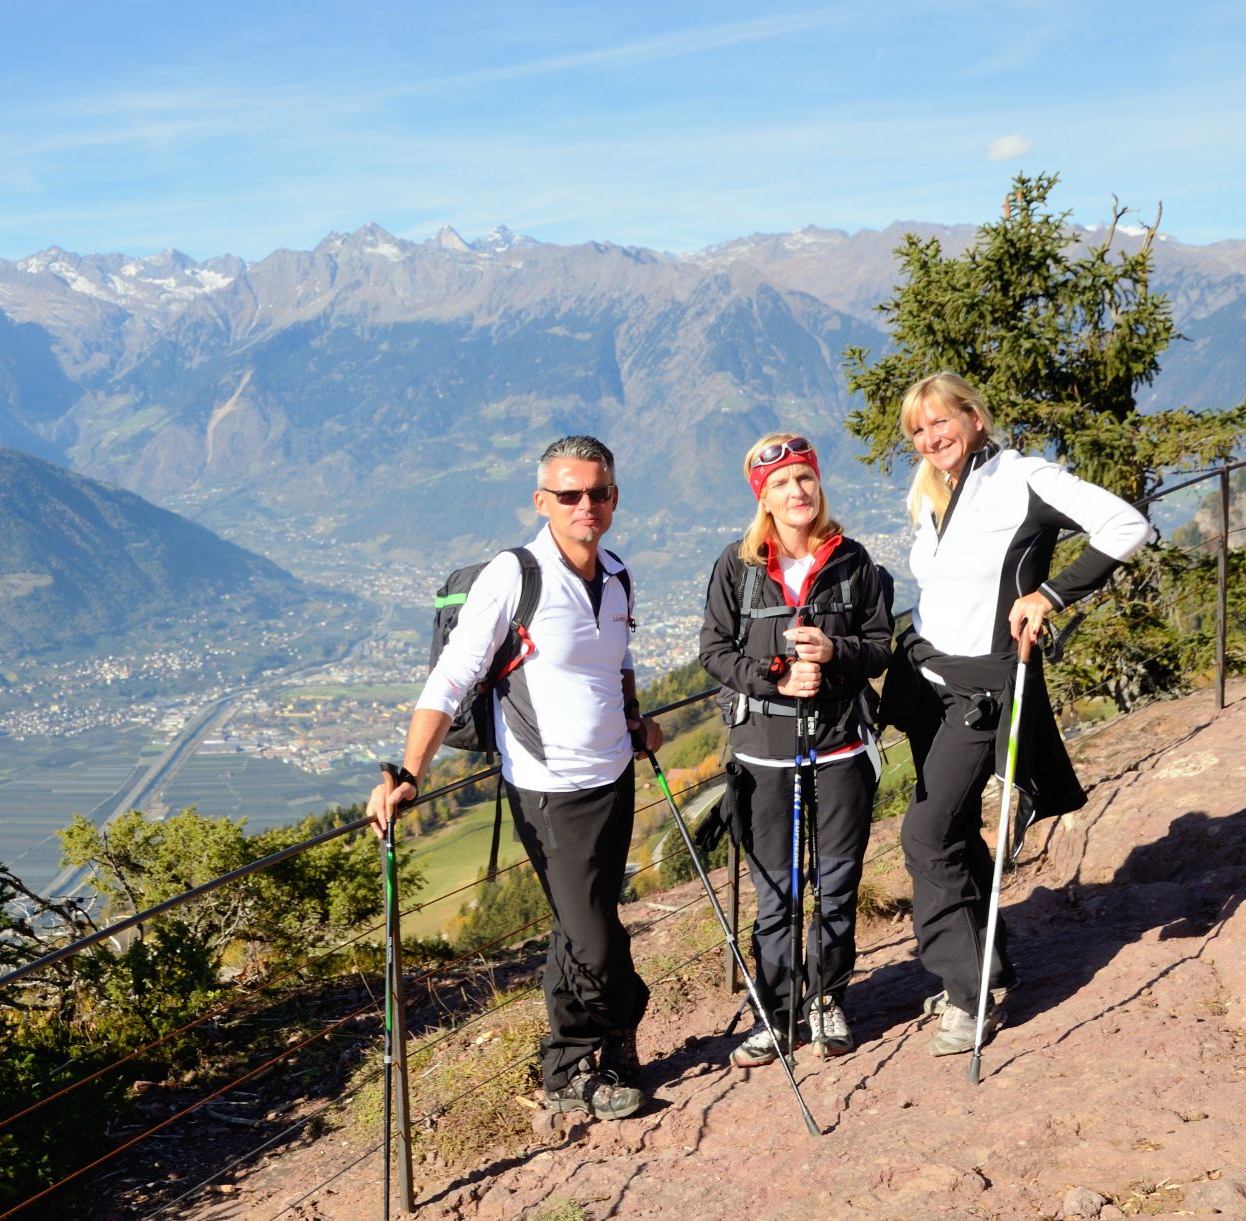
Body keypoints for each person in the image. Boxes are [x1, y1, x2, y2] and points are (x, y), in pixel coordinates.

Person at [368, 435, 662, 1121]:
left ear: (614, 498)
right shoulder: (516, 574)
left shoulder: (616, 574)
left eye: (598, 492)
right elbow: (452, 678)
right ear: (543, 501)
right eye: (569, 494)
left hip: (614, 776)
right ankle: (621, 1021)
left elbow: (613, 660)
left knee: (577, 925)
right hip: (546, 787)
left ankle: (570, 1061)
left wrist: (635, 717)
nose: (585, 504)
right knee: (593, 938)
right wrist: (410, 771)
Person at [883, 372, 1154, 1056]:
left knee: (925, 832)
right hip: (927, 682)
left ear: (975, 416)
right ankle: (986, 970)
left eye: (941, 421)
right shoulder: (934, 495)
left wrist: (1052, 595)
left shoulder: (1023, 477)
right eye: (918, 430)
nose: (930, 437)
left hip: (983, 688)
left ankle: (967, 994)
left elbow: (1127, 524)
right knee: (952, 835)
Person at [698, 433, 893, 1067]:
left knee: (837, 882)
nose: (797, 491)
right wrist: (774, 676)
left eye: (804, 478)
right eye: (781, 484)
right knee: (776, 891)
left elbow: (880, 643)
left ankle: (827, 998)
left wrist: (838, 654)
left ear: (818, 485)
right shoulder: (738, 564)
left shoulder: (852, 559)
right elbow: (714, 650)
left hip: (838, 745)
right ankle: (778, 1012)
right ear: (764, 497)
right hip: (765, 751)